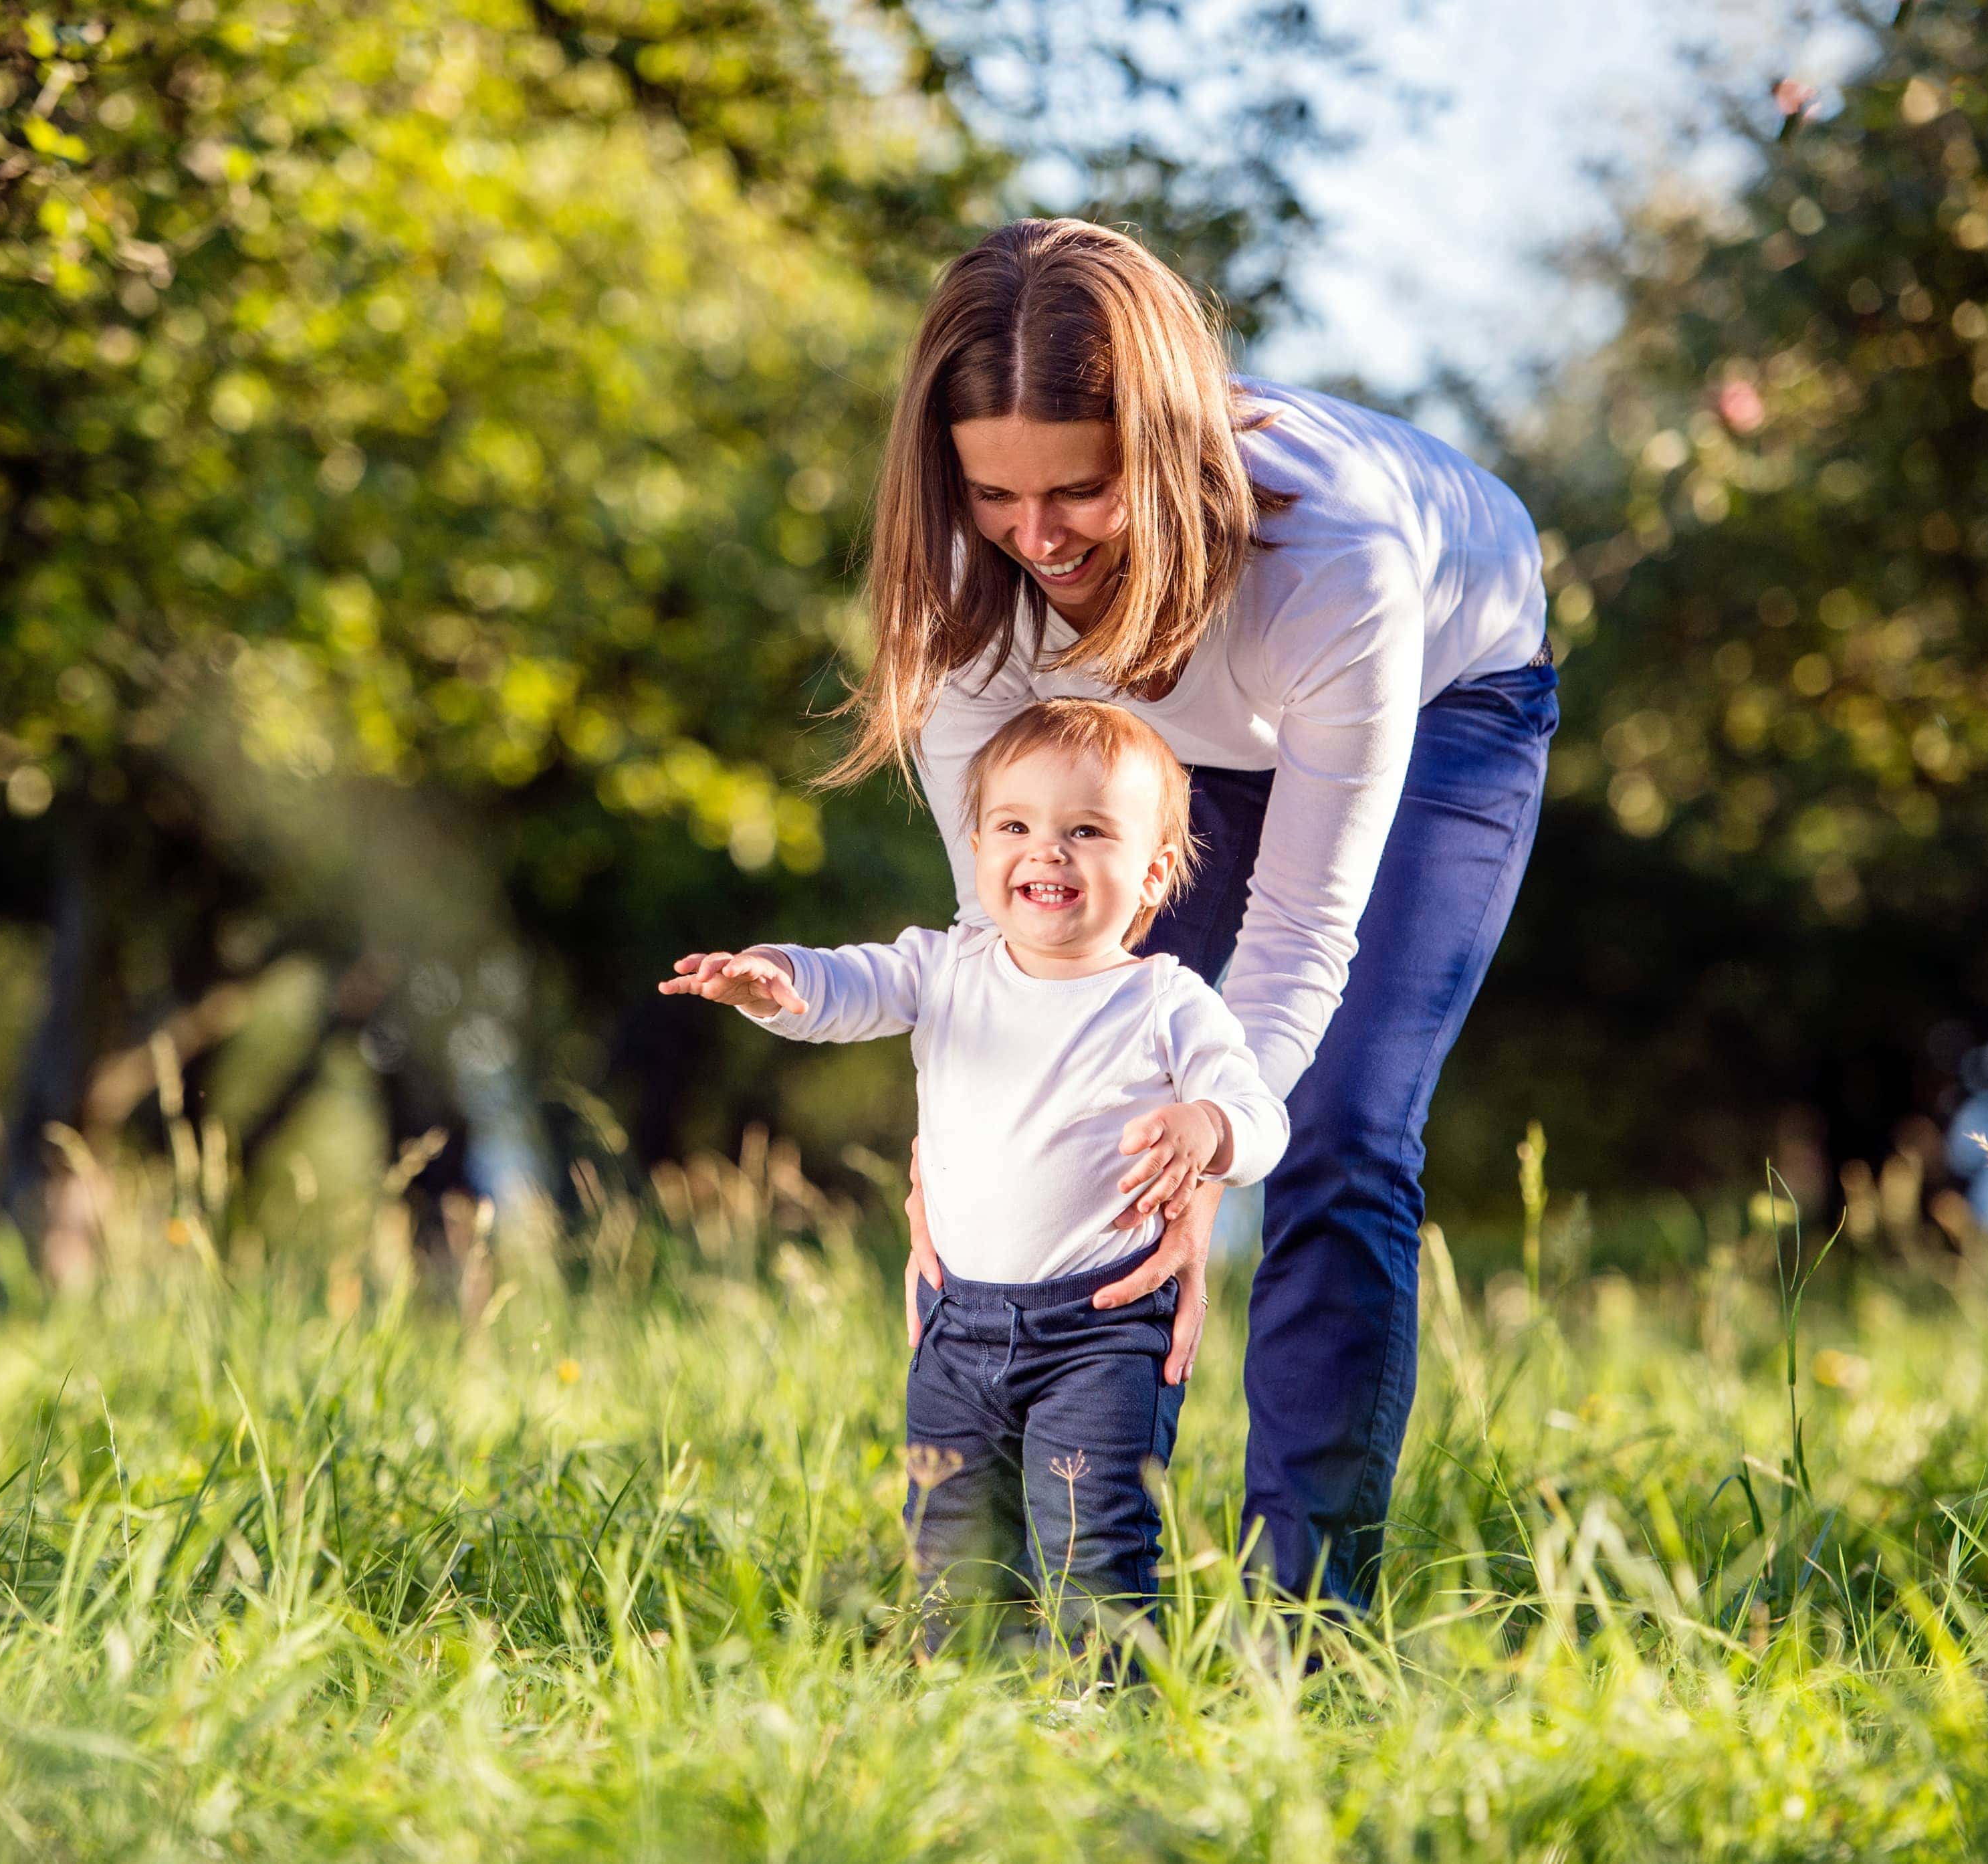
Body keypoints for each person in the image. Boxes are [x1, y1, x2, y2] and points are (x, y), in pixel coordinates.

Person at [835, 218, 1559, 1611]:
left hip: (1440, 701)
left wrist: (1221, 1130)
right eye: (996, 494)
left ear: (1159, 453)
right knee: (1080, 1122)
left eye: (1081, 490)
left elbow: (1295, 942)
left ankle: (1307, 1617)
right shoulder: (969, 576)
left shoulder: (1335, 554)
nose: (1035, 536)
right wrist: (963, 1134)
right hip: (1152, 731)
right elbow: (1013, 943)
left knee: (1336, 1129)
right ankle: (1057, 1597)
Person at [663, 700, 1288, 1651]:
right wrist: (774, 979)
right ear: (979, 844)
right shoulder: (947, 966)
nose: (1047, 851)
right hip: (956, 1333)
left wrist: (1208, 1124)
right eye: (1016, 827)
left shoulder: (1166, 1001)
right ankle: (972, 1720)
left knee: (1092, 1546)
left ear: (1155, 870)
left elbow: (1262, 1119)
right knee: (952, 1554)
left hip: (1104, 1333)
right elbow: (847, 986)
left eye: (1086, 831)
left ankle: (1098, 1722)